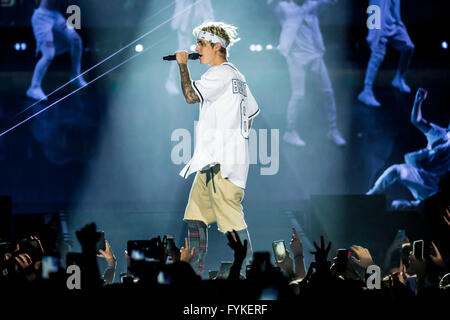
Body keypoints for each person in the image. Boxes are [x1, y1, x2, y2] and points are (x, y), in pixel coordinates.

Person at [174, 21, 259, 277]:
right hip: (212, 163)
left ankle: (248, 272)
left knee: (232, 223)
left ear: (217, 46)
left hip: (224, 165)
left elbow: (190, 96)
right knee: (195, 215)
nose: (196, 48)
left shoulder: (220, 74)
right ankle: (194, 271)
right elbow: (251, 113)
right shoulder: (238, 77)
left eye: (201, 44)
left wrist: (182, 65)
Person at [269, 0, 346, 147]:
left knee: (328, 92)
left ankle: (333, 130)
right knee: (298, 95)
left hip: (315, 55)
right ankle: (290, 132)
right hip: (296, 57)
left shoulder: (312, 5)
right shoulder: (284, 8)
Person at [367, 88, 450, 210]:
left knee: (417, 208)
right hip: (420, 177)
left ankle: (408, 206)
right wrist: (418, 101)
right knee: (395, 170)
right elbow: (417, 121)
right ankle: (372, 195)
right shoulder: (439, 134)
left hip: (435, 187)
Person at [26, 0, 87, 101]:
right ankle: (34, 88)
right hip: (42, 18)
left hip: (56, 16)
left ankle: (76, 76)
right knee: (49, 55)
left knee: (76, 41)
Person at [358, 0, 414, 107]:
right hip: (379, 21)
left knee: (409, 47)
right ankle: (366, 91)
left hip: (394, 23)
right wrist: (374, 29)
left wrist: (398, 21)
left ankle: (399, 79)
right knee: (377, 55)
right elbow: (373, 7)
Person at [165, 0, 214, 95]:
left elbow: (209, 12)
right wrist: (175, 23)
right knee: (182, 50)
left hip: (199, 27)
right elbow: (178, 8)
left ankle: (214, 79)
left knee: (206, 53)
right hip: (184, 26)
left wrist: (209, 27)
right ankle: (171, 80)